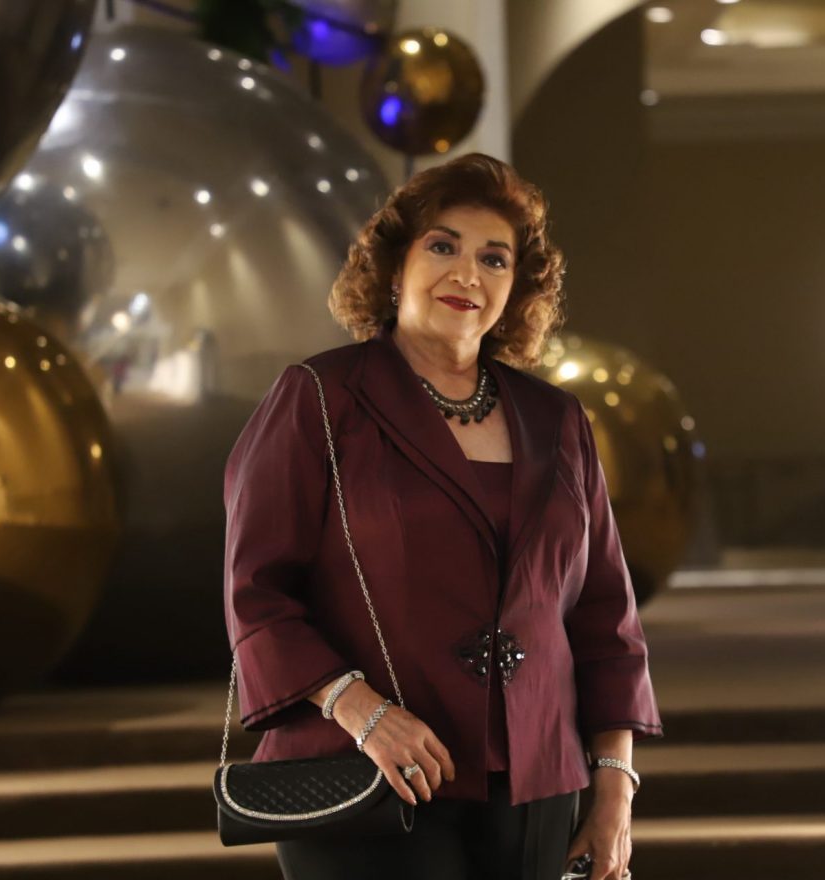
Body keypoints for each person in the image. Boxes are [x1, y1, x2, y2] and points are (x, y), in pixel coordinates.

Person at [223, 153, 662, 880]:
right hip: (369, 773)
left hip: (538, 786)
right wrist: (361, 711)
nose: (467, 273)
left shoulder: (558, 421)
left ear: (515, 288)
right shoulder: (319, 398)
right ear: (395, 269)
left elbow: (605, 616)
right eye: (442, 246)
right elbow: (257, 592)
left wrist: (615, 786)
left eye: (494, 258)